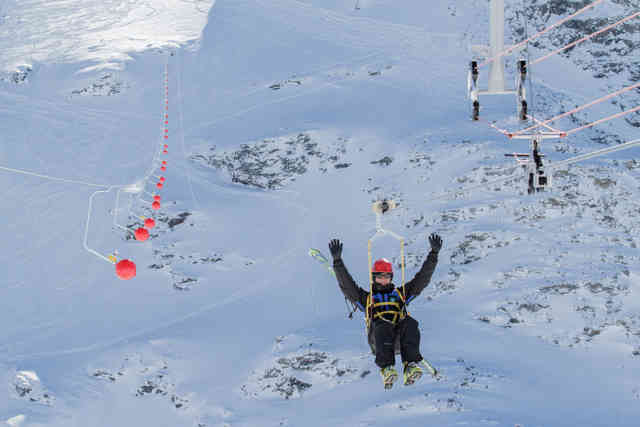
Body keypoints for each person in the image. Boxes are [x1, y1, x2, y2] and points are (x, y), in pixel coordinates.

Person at [328, 233, 442, 389]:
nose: (383, 280)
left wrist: (433, 255)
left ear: (391, 277)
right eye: (380, 276)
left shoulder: (400, 294)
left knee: (410, 322)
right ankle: (387, 368)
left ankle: (410, 365)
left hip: (398, 339)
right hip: (379, 340)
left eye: (387, 276)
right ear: (374, 278)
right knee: (383, 324)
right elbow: (348, 286)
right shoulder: (367, 298)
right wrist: (337, 262)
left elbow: (421, 280)